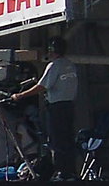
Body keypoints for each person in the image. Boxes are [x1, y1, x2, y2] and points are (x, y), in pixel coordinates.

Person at [11, 37, 79, 178]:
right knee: (67, 138)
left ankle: (61, 172)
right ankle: (70, 171)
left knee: (56, 140)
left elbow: (42, 86)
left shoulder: (54, 65)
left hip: (56, 107)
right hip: (69, 106)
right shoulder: (70, 65)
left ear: (51, 50)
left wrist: (21, 95)